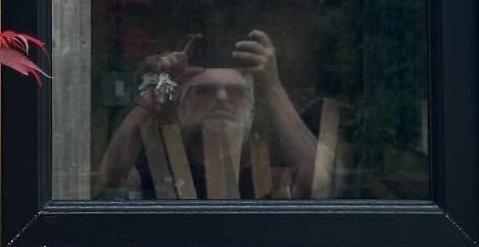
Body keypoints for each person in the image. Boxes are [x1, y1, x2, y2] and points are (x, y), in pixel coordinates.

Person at [96, 30, 318, 198]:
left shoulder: (268, 166)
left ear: (251, 112)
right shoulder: (157, 165)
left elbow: (318, 183)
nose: (221, 98)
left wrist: (272, 85)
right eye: (205, 91)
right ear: (183, 108)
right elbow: (111, 178)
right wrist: (162, 87)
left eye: (235, 92)